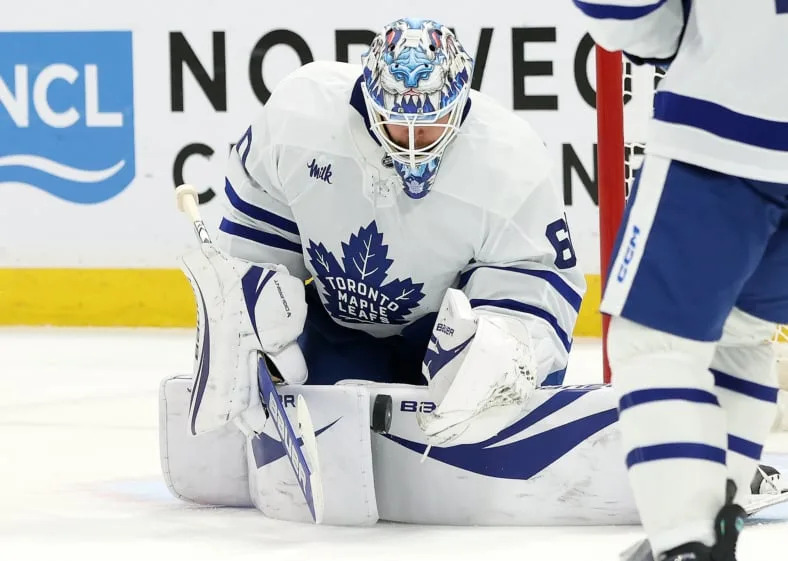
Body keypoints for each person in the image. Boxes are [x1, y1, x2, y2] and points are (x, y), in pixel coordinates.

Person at [183, 17, 586, 448]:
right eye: (398, 121)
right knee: (284, 348)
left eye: (432, 119)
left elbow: (535, 291)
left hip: (440, 337)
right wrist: (245, 319)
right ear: (369, 103)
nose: (415, 140)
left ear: (461, 102)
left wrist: (505, 348)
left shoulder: (509, 159)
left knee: (493, 370)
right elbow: (254, 247)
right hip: (337, 332)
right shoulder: (299, 118)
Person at [572, 1, 788, 560]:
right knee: (740, 334)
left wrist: (671, 35)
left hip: (728, 124)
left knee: (655, 344)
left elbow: (626, 12)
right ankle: (715, 520)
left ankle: (687, 542)